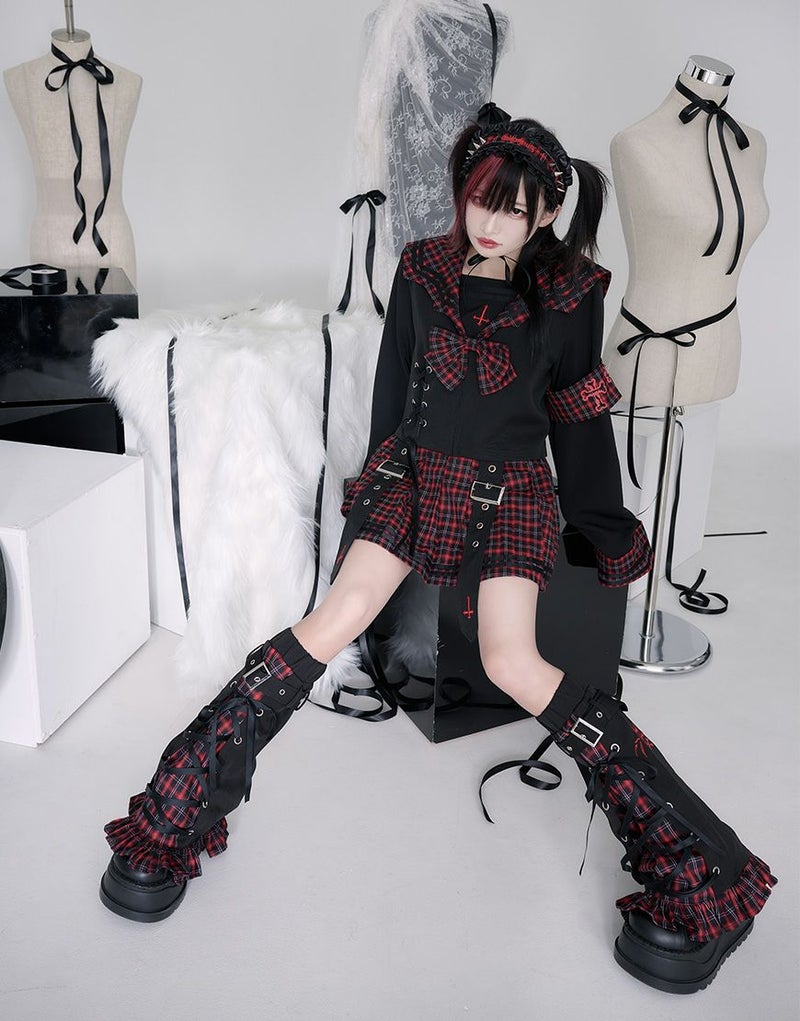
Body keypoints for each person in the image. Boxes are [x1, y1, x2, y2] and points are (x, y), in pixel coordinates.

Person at [99, 107, 776, 995]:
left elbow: (578, 424)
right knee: (334, 618)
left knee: (512, 661)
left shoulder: (569, 293)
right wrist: (374, 494)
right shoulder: (421, 267)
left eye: (515, 209)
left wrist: (607, 529)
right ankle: (173, 813)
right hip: (415, 473)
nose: (491, 222)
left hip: (510, 491)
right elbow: (394, 390)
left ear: (545, 215)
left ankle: (703, 861)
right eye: (481, 200)